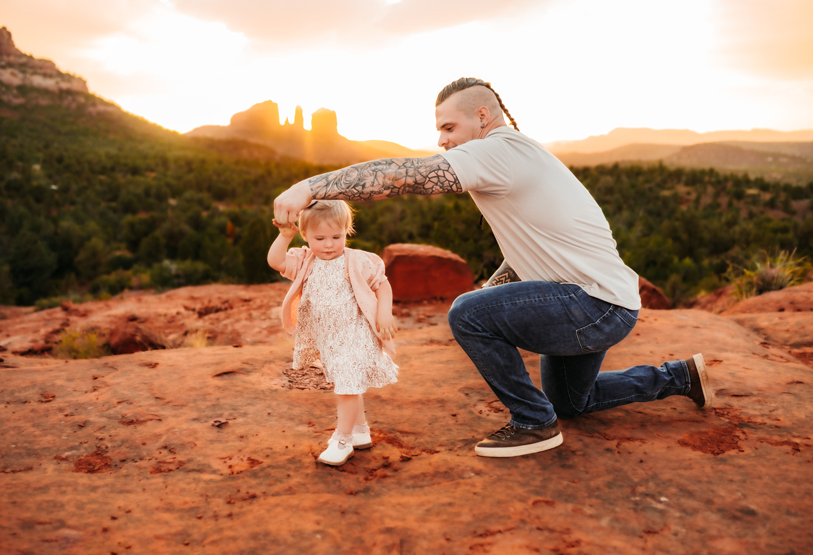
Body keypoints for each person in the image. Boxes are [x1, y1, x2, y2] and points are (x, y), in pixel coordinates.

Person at [273, 77, 714, 459]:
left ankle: (532, 423)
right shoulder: (518, 153)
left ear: (482, 115)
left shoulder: (497, 151)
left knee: (466, 312)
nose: (442, 140)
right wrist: (496, 290)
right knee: (571, 401)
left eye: (449, 127)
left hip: (591, 305)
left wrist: (309, 187)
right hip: (604, 304)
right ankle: (681, 376)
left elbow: (402, 176)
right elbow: (530, 248)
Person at [267, 200, 399, 466]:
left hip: (355, 334)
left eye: (336, 237)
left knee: (346, 386)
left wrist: (385, 312)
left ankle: (343, 439)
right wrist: (284, 236)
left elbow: (382, 285)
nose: (328, 244)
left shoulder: (357, 261)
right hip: (329, 338)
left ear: (346, 231)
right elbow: (275, 261)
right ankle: (360, 431)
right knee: (347, 382)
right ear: (305, 235)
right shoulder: (305, 260)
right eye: (320, 238)